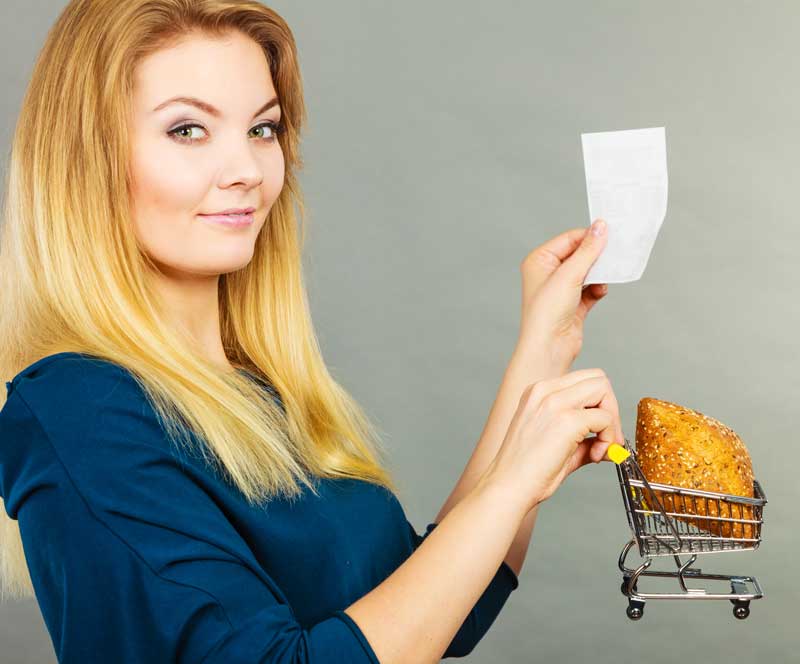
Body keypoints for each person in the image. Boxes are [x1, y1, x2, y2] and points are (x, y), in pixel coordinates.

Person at [0, 1, 623, 662]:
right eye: (187, 130)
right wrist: (510, 484)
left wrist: (546, 348)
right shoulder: (78, 408)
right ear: (86, 161)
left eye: (262, 129)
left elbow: (439, 609)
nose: (246, 170)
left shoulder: (258, 387)